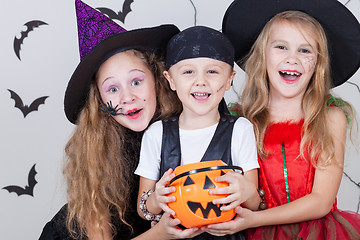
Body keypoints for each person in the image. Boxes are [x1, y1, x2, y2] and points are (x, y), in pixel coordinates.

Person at [39, 0, 201, 239]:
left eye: (136, 82)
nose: (127, 98)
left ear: (157, 79)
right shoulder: (95, 150)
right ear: (100, 101)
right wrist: (162, 233)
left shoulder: (186, 125)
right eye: (113, 89)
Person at [216, 0, 360, 239]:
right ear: (262, 55)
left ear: (319, 63)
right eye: (281, 47)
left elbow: (321, 201)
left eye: (305, 50)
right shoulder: (240, 121)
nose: (292, 58)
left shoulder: (330, 118)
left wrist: (253, 220)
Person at [135, 26, 261, 239]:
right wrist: (157, 199)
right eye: (188, 72)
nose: (200, 81)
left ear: (230, 79)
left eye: (212, 71)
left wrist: (246, 192)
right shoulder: (156, 134)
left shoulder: (240, 129)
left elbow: (255, 203)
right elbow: (143, 209)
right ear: (171, 80)